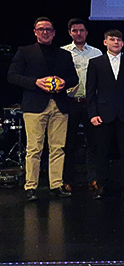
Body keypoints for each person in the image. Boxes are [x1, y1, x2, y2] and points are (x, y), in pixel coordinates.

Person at [8, 17, 78, 201]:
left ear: (54, 32)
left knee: (58, 148)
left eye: (48, 29)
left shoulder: (64, 54)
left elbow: (74, 78)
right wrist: (35, 82)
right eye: (41, 29)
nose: (45, 32)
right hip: (34, 105)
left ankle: (56, 184)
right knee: (34, 148)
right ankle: (31, 186)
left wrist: (65, 82)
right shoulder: (25, 52)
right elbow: (12, 76)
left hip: (59, 105)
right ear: (35, 32)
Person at [87, 29, 124, 199]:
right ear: (105, 42)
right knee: (102, 151)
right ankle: (102, 185)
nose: (116, 42)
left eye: (119, 40)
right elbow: (90, 91)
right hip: (103, 114)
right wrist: (92, 113)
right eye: (112, 39)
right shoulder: (96, 62)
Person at [61, 18, 102, 192]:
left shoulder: (97, 53)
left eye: (81, 30)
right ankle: (66, 180)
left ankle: (93, 178)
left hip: (91, 103)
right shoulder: (63, 52)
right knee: (68, 143)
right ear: (70, 33)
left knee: (93, 143)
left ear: (86, 32)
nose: (78, 33)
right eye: (75, 31)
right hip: (69, 102)